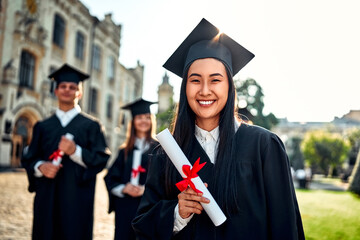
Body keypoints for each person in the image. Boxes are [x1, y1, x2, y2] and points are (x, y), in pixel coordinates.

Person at [132, 18, 305, 239]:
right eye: (195, 80)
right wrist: (177, 213)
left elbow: (285, 227)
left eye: (215, 80)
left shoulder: (264, 147)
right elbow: (142, 226)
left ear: (229, 86)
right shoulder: (166, 155)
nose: (205, 90)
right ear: (185, 87)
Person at [21, 64, 111, 240]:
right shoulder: (42, 126)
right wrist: (40, 167)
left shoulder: (91, 126)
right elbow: (29, 158)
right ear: (56, 91)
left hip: (77, 199)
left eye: (73, 87)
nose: (67, 90)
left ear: (80, 93)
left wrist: (75, 151)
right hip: (46, 197)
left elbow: (101, 159)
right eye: (63, 86)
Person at [104, 98, 158, 240]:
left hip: (149, 207)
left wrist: (145, 190)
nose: (144, 121)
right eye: (139, 117)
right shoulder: (124, 151)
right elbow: (110, 178)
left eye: (147, 117)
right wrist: (124, 188)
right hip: (125, 207)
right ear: (133, 121)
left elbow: (164, 180)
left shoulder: (159, 149)